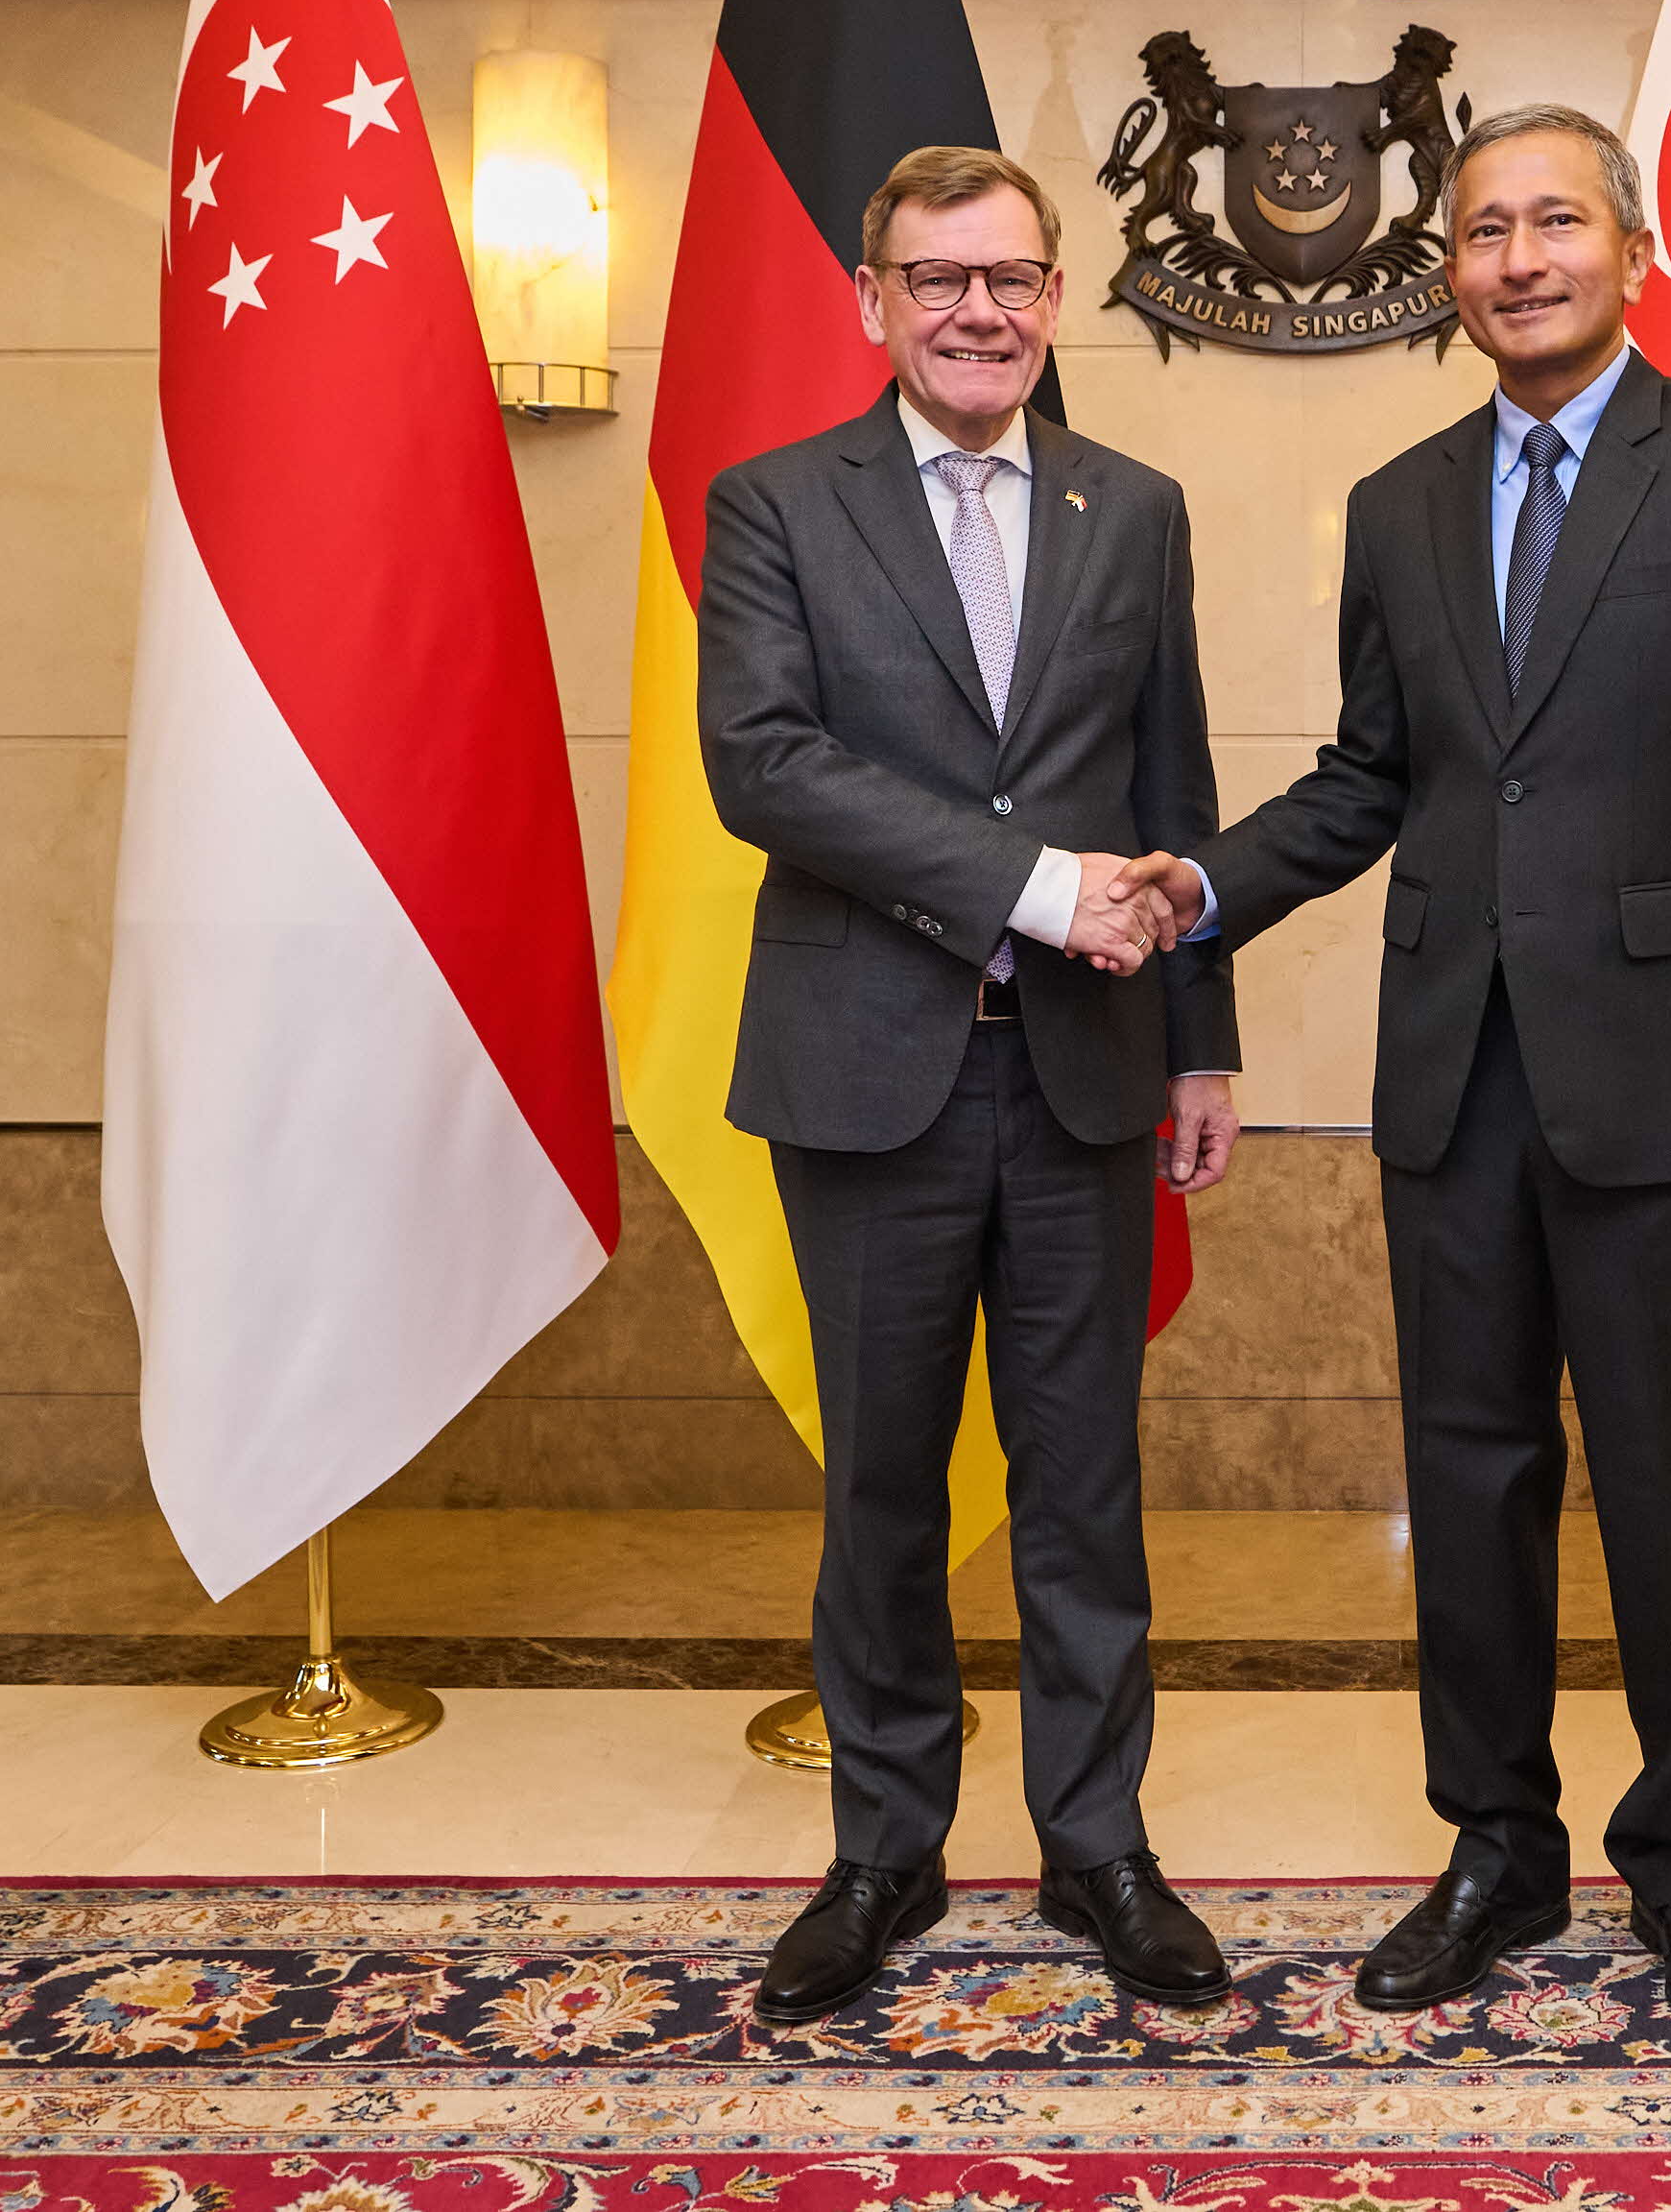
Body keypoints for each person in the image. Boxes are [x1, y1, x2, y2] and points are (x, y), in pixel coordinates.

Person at [1125, 103, 1671, 2040]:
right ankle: (1497, 1848)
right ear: (1445, 274)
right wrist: (1201, 886)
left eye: (1553, 223)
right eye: (1481, 232)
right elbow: (1381, 774)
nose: (1516, 258)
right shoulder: (1403, 502)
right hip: (1454, 1077)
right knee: (1469, 1476)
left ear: (1633, 249)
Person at [698, 144, 1243, 2020]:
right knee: (886, 1492)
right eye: (937, 279)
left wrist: (1209, 1036)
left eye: (1010, 277)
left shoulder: (1133, 506)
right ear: (874, 299)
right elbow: (762, 765)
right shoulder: (774, 502)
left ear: (1056, 294)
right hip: (866, 1077)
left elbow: (1173, 786)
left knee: (1088, 1487)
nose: (978, 311)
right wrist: (1027, 886)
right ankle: (883, 1854)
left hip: (1088, 1080)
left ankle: (1098, 1848)